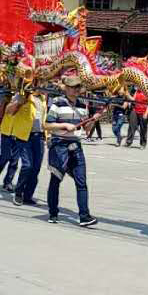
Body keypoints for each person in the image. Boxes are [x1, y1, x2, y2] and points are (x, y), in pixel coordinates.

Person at [45, 76, 102, 226]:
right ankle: (53, 212)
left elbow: (87, 130)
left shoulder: (83, 106)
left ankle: (84, 216)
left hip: (75, 146)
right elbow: (47, 125)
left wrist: (93, 120)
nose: (76, 90)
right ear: (66, 88)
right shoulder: (57, 103)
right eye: (73, 87)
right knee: (56, 180)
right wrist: (64, 125)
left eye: (78, 87)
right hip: (59, 145)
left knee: (81, 181)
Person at [12, 90, 47, 206]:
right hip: (24, 136)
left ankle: (28, 196)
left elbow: (44, 117)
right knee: (27, 166)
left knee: (36, 168)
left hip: (39, 137)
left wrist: (48, 135)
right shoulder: (22, 94)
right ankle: (18, 192)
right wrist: (18, 102)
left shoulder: (43, 98)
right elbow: (9, 111)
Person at [0, 95, 20, 192]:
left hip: (20, 132)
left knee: (15, 160)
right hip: (7, 131)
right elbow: (7, 111)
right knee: (5, 156)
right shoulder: (9, 96)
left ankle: (8, 182)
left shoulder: (30, 98)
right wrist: (18, 101)